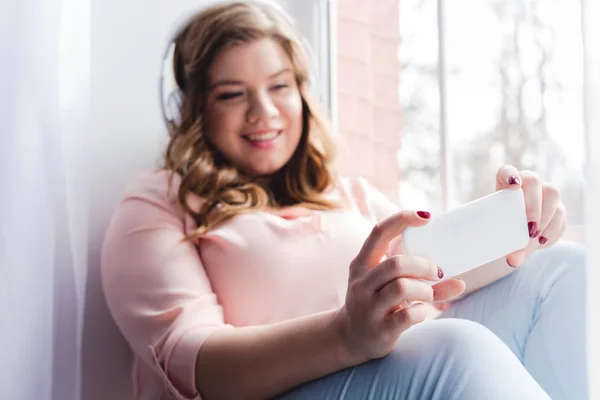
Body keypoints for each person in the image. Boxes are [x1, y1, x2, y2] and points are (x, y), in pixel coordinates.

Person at [100, 1, 587, 399]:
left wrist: (522, 229)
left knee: (563, 269)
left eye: (279, 86)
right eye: (232, 94)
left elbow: (437, 280)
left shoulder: (344, 194)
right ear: (191, 109)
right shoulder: (159, 202)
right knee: (456, 348)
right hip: (276, 390)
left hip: (391, 365)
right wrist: (345, 335)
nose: (263, 111)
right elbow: (197, 364)